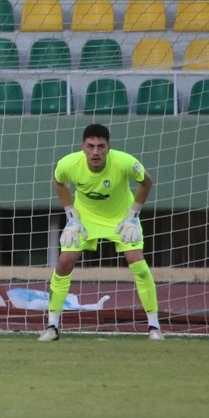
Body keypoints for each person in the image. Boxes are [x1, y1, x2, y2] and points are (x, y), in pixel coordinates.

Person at [39, 123, 161, 341]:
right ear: (83, 147)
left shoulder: (124, 162)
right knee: (65, 261)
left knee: (138, 263)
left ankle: (154, 327)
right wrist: (71, 216)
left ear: (108, 147)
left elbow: (146, 181)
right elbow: (59, 182)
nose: (95, 152)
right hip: (85, 219)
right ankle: (52, 326)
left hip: (121, 218)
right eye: (91, 146)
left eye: (101, 147)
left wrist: (133, 215)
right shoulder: (68, 164)